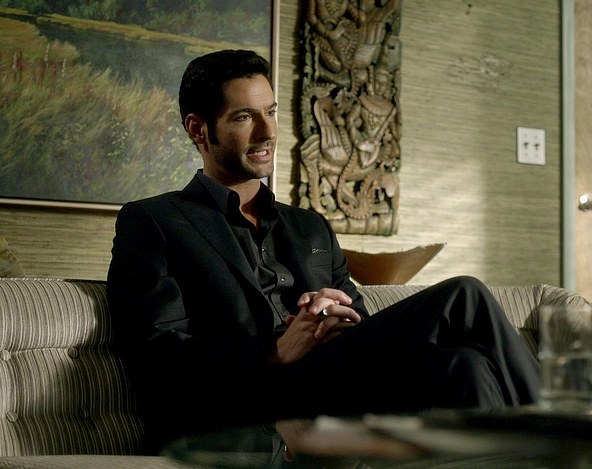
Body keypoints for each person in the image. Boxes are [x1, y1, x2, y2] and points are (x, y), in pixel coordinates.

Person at [106, 49, 539, 453]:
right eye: (244, 117)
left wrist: (336, 313)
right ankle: (563, 439)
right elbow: (158, 354)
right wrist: (276, 349)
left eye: (271, 112)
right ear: (198, 129)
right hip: (250, 399)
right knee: (464, 295)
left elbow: (363, 324)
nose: (267, 132)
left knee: (466, 365)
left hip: (339, 388)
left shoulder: (309, 225)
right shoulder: (155, 221)